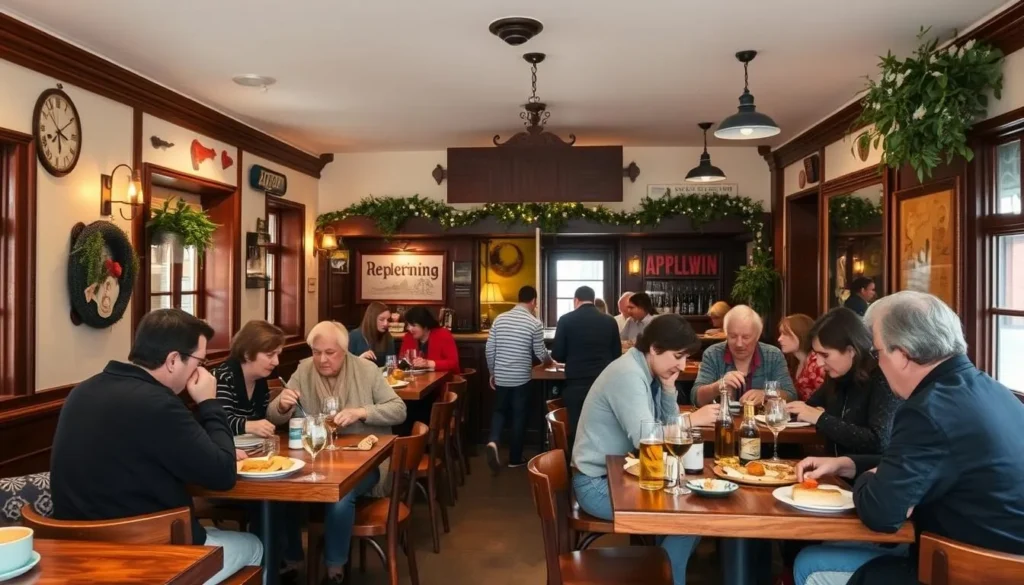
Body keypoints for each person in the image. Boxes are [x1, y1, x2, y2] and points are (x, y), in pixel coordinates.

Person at [793, 291, 1024, 585]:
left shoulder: (927, 411)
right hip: (1003, 559)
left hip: (969, 569)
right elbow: (919, 465)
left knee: (811, 564)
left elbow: (881, 513)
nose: (876, 363)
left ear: (901, 355)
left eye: (877, 353)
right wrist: (847, 464)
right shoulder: (992, 389)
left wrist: (872, 478)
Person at [50, 309, 262, 585]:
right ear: (174, 360)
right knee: (253, 545)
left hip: (75, 554)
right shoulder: (159, 404)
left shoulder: (82, 392)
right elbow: (223, 475)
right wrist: (210, 403)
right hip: (148, 559)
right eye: (199, 361)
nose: (201, 370)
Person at [573, 314, 720, 585]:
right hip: (598, 485)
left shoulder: (645, 370)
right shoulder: (628, 374)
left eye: (685, 357)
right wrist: (693, 419)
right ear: (654, 348)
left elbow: (664, 425)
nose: (682, 365)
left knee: (695, 512)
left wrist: (667, 388)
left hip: (621, 476)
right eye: (677, 356)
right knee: (690, 516)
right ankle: (663, 572)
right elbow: (647, 438)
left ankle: (658, 568)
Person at [268, 321, 407, 585]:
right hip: (317, 460)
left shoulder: (366, 370)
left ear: (344, 350)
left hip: (368, 463)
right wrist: (282, 405)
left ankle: (335, 569)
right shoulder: (303, 369)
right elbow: (273, 415)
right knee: (281, 491)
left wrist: (362, 412)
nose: (322, 359)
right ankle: (293, 558)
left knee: (341, 497)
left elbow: (399, 409)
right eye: (316, 352)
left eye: (329, 353)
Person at [785, 308, 901, 457]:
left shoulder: (882, 378)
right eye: (816, 354)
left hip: (865, 477)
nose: (819, 363)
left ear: (851, 351)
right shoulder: (837, 374)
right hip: (833, 470)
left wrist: (821, 418)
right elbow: (809, 407)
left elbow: (878, 441)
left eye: (825, 355)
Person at [485, 286, 551, 472]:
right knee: (518, 416)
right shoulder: (534, 323)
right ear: (533, 301)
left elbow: (489, 350)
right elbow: (540, 352)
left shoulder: (500, 319)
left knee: (499, 411)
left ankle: (493, 441)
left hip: (502, 376)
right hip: (521, 377)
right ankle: (515, 458)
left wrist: (493, 372)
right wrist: (550, 360)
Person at [552, 286, 621, 444]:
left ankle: (576, 464)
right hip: (603, 383)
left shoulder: (565, 320)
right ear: (593, 299)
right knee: (603, 428)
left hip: (576, 382)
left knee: (577, 429)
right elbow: (617, 354)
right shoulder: (609, 321)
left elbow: (558, 354)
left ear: (575, 300)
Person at [691, 305, 796, 406]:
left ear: (757, 336)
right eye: (733, 336)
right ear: (726, 334)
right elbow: (695, 398)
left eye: (746, 337)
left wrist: (766, 395)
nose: (739, 344)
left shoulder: (773, 355)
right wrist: (717, 387)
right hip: (723, 422)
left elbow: (791, 395)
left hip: (762, 423)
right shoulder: (713, 354)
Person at [212, 320, 285, 437]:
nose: (276, 362)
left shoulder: (260, 379)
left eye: (278, 355)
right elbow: (218, 423)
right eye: (270, 355)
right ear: (247, 353)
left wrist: (282, 408)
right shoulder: (223, 377)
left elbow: (263, 420)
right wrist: (248, 426)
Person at [778, 313, 826, 401]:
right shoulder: (791, 361)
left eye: (786, 334)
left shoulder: (817, 363)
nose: (779, 339)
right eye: (780, 334)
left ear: (800, 334)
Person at [398, 306, 460, 373]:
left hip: (444, 380)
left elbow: (453, 363)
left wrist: (428, 363)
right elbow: (402, 362)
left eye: (413, 325)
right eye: (408, 325)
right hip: (417, 380)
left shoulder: (443, 334)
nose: (409, 328)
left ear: (425, 325)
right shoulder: (408, 337)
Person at [348, 301, 396, 367]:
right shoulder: (354, 336)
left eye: (388, 320)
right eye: (381, 319)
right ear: (372, 319)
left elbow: (391, 365)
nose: (385, 323)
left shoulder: (388, 337)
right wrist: (360, 359)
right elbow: (346, 366)